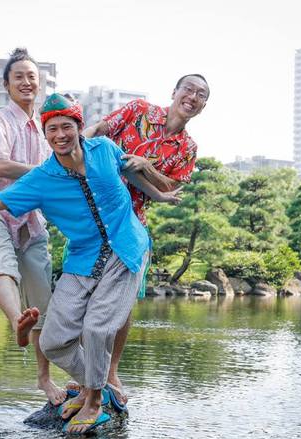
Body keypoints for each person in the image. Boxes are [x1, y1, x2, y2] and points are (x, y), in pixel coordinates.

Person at [0, 93, 181, 434]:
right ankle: (101, 387)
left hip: (126, 248)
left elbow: (129, 170)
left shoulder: (104, 148)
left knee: (97, 328)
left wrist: (159, 194)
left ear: (79, 127)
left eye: (66, 126)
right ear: (46, 136)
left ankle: (94, 403)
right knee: (53, 340)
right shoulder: (42, 178)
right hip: (84, 257)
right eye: (52, 130)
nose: (60, 134)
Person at [81, 74, 210, 405]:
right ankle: (83, 370)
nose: (193, 97)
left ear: (203, 105)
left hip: (133, 220)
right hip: (93, 211)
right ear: (175, 92)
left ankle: (110, 371)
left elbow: (169, 188)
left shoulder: (188, 149)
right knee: (83, 293)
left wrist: (145, 166)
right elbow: (100, 129)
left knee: (125, 303)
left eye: (201, 95)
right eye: (189, 89)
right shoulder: (138, 110)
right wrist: (75, 146)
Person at [0, 48, 64, 405]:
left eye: (32, 76)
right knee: (3, 267)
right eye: (18, 76)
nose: (26, 81)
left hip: (29, 221)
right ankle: (18, 321)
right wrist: (45, 174)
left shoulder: (45, 129)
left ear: (41, 83)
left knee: (44, 304)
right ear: (7, 85)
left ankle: (44, 380)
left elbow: (64, 166)